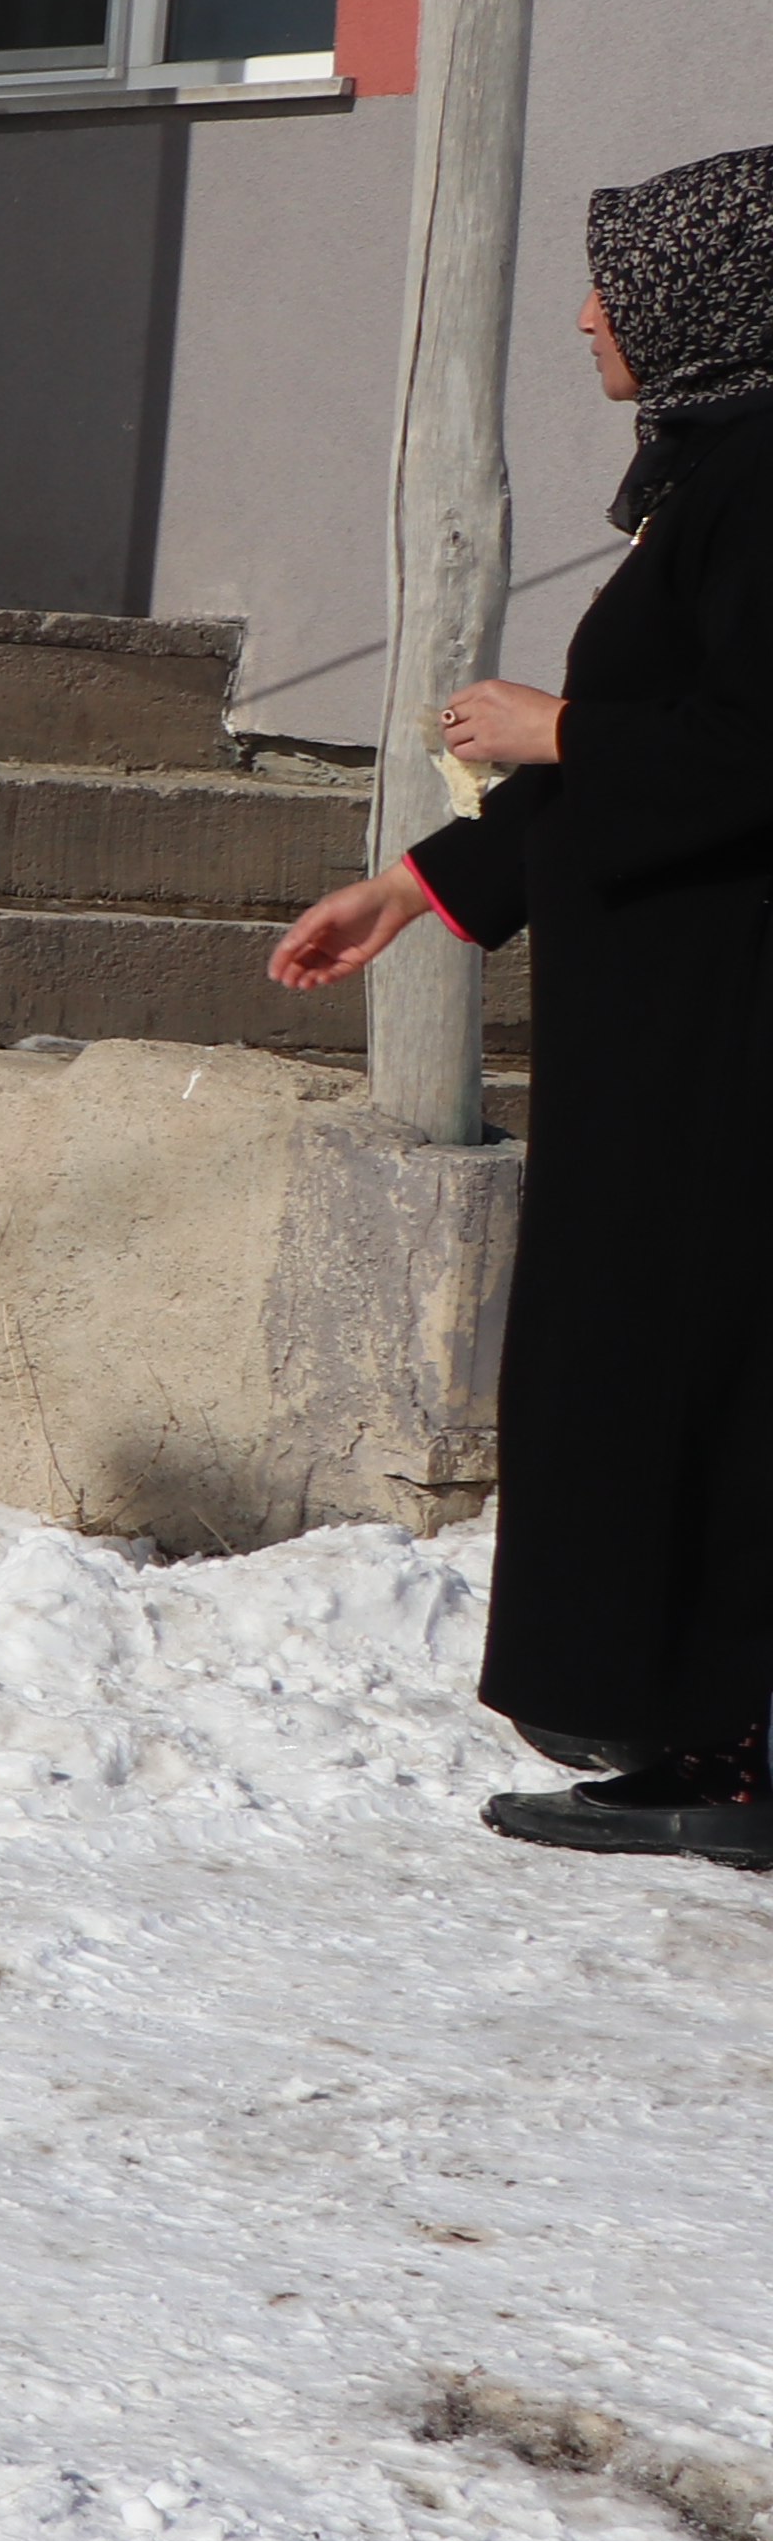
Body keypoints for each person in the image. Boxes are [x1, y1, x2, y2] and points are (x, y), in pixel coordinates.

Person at [271, 146, 773, 1865]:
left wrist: (563, 730)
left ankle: (735, 1750)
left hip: (732, 1044)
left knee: (716, 1366)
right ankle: (702, 1743)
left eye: (616, 292)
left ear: (711, 306)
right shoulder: (719, 473)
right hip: (666, 1038)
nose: (584, 317)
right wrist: (411, 893)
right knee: (661, 1367)